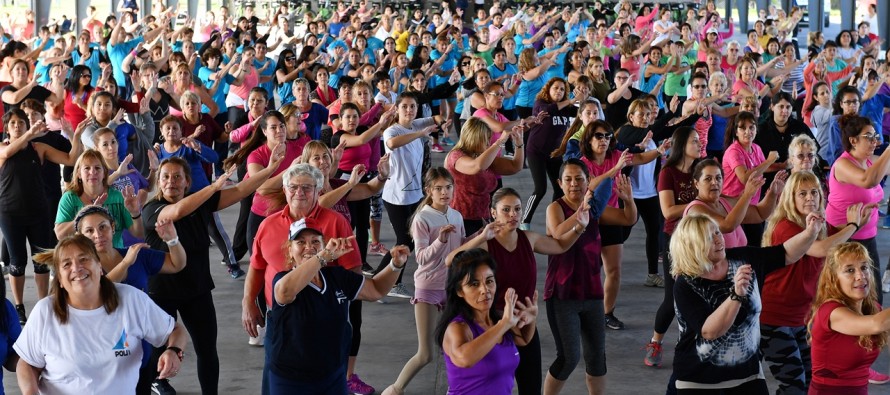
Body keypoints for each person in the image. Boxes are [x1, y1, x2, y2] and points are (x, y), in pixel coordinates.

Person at [446, 186, 614, 395]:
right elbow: (451, 262)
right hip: (494, 321)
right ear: (493, 213)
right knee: (489, 381)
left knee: (531, 386)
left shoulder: (529, 238)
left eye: (517, 209)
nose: (513, 215)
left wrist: (579, 227)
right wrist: (481, 238)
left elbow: (560, 246)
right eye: (506, 210)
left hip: (525, 321)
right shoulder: (487, 245)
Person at [142, 152, 284, 395]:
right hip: (161, 292)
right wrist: (213, 187)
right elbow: (176, 212)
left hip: (197, 289)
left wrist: (269, 168)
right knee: (155, 349)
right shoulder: (152, 209)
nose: (171, 181)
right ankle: (157, 383)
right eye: (165, 177)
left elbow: (240, 190)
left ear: (187, 181)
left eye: (178, 177)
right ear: (159, 181)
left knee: (207, 349)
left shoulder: (201, 203)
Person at [242, 163, 366, 395]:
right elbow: (257, 267)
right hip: (280, 323)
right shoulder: (268, 224)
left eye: (307, 188)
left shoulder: (336, 222)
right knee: (276, 381)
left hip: (323, 326)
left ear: (319, 190)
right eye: (293, 187)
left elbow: (354, 272)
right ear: (285, 190)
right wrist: (248, 302)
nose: (299, 192)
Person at [14, 234, 188, 394]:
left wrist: (173, 350)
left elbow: (175, 331)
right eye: (67, 264)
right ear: (59, 279)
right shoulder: (45, 311)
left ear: (99, 266)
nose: (77, 268)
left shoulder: (131, 299)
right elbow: (27, 363)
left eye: (84, 259)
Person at [669, 213, 819, 394]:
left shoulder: (744, 258)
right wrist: (736, 294)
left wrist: (811, 232)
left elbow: (785, 253)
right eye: (709, 237)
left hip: (748, 376)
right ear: (692, 246)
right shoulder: (685, 283)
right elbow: (710, 331)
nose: (719, 240)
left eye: (717, 232)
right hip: (699, 381)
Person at [267, 218, 409, 393]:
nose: (309, 247)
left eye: (315, 242)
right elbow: (285, 292)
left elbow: (376, 290)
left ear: (323, 245)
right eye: (301, 242)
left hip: (332, 375)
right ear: (290, 250)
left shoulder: (337, 277)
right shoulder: (282, 280)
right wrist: (323, 256)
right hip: (291, 380)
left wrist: (395, 265)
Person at [759, 171, 870, 394]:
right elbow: (820, 249)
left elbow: (833, 240)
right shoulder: (785, 226)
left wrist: (858, 219)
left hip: (802, 318)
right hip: (774, 319)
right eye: (802, 193)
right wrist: (853, 227)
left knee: (811, 379)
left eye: (814, 192)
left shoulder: (817, 224)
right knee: (794, 384)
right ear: (791, 197)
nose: (810, 197)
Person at [543, 159, 637, 394]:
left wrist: (628, 201)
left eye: (580, 179)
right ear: (559, 183)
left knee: (597, 357)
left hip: (593, 294)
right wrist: (581, 214)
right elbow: (557, 232)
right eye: (568, 179)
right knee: (569, 357)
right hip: (562, 295)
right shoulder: (555, 208)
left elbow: (628, 219)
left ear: (588, 183)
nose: (574, 184)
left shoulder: (595, 210)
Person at [0, 109, 84, 325]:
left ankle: (42, 303)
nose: (17, 126)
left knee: (41, 261)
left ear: (27, 125)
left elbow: (71, 158)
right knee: (17, 263)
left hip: (38, 212)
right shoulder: (2, 149)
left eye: (21, 122)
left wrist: (74, 135)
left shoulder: (39, 148)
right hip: (10, 214)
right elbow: (8, 154)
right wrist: (30, 135)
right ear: (7, 128)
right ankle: (19, 306)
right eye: (13, 123)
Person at [436, 248, 538, 395]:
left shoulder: (499, 318)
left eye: (489, 281)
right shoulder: (458, 327)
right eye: (474, 284)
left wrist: (531, 320)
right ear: (459, 291)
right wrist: (504, 325)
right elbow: (464, 359)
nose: (485, 289)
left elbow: (523, 340)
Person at [645, 126, 701, 367]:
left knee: (700, 293)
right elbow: (668, 211)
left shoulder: (701, 169)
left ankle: (695, 343)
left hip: (699, 238)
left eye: (699, 141)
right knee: (673, 297)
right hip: (675, 240)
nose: (699, 144)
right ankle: (655, 341)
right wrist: (698, 203)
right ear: (682, 145)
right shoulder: (668, 173)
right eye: (694, 141)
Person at [808, 242, 890, 394]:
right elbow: (876, 324)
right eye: (850, 270)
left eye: (864, 267)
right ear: (834, 279)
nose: (860, 276)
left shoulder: (873, 308)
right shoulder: (831, 312)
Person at [826, 115, 890, 306]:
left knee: (873, 293)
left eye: (875, 136)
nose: (875, 141)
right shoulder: (843, 164)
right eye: (869, 137)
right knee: (851, 295)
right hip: (845, 236)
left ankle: (873, 333)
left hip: (867, 235)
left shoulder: (870, 161)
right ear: (853, 141)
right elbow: (867, 181)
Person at [446, 117, 525, 235]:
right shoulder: (455, 156)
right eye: (486, 140)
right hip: (461, 220)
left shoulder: (484, 156)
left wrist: (519, 143)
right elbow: (477, 166)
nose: (489, 143)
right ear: (474, 138)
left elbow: (515, 166)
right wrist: (500, 142)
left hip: (483, 218)